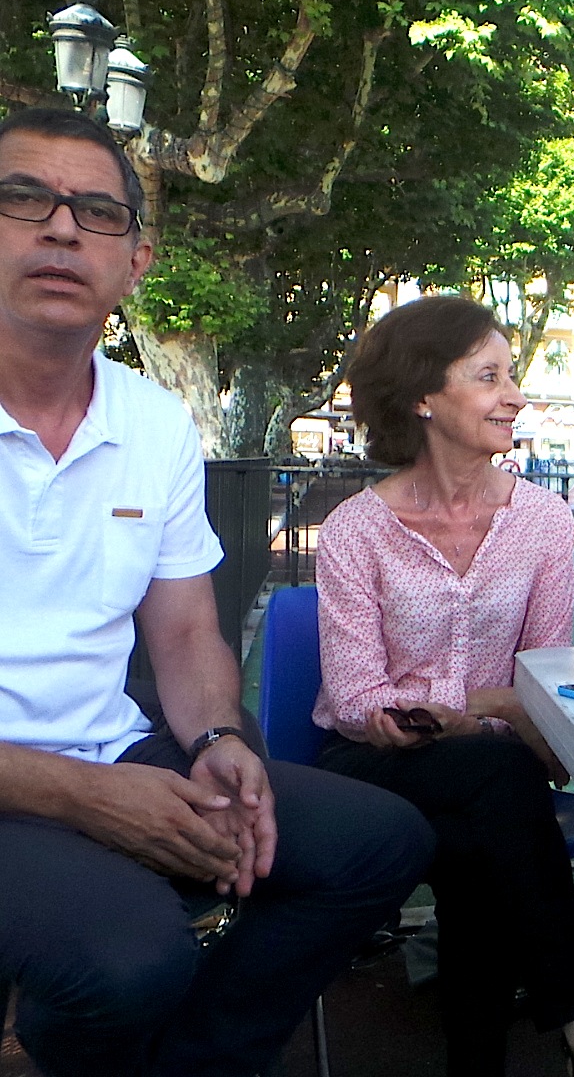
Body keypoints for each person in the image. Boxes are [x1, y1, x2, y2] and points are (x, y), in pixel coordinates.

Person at [0, 106, 433, 1077]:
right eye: (25, 198)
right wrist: (90, 799)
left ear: (136, 260)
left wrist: (219, 743)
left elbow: (189, 634)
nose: (62, 228)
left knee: (376, 841)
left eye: (97, 212)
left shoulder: (151, 423)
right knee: (132, 954)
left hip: (110, 746)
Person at [311, 295, 574, 1077]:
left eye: (513, 377)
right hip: (373, 763)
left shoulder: (539, 518)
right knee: (499, 787)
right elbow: (357, 691)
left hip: (494, 766)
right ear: (425, 396)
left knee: (477, 839)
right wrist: (424, 718)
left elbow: (544, 675)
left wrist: (471, 716)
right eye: (489, 376)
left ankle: (496, 1060)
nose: (517, 396)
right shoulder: (357, 529)